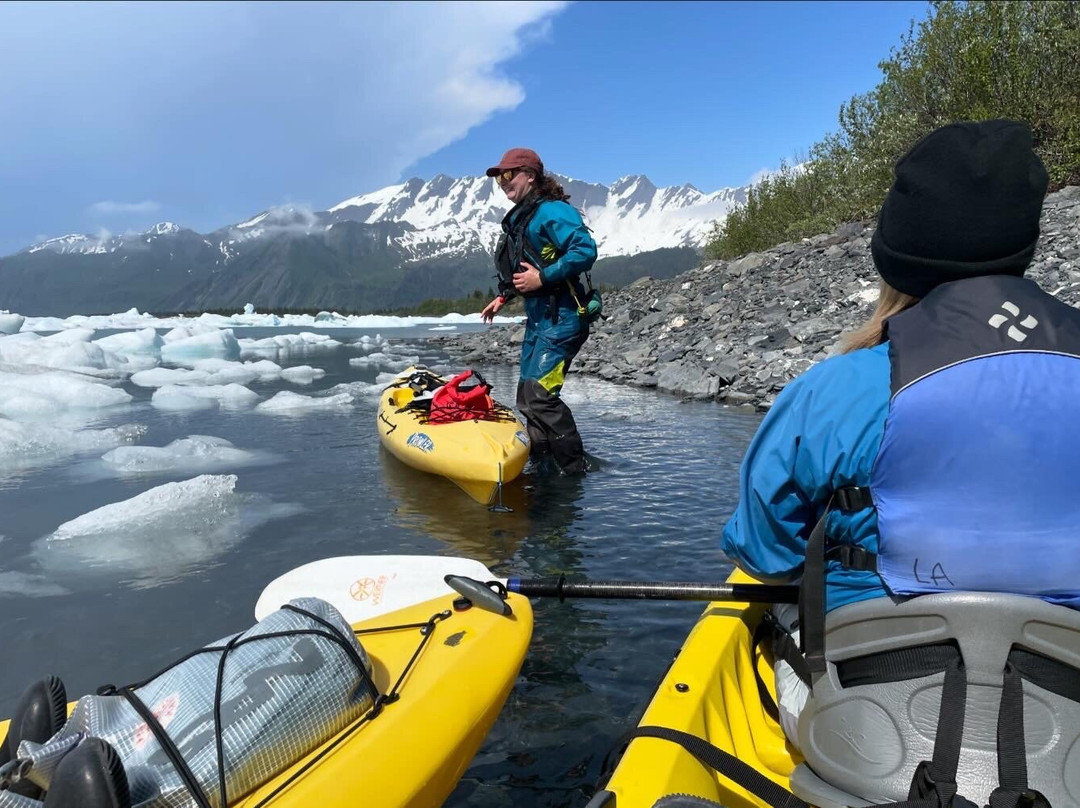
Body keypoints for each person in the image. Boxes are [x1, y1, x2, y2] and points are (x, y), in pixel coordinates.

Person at [720, 120, 1080, 806]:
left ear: (897, 253)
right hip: (1068, 734)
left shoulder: (839, 388)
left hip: (872, 728)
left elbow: (763, 553)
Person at [481, 148, 597, 475]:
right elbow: (525, 266)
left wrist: (542, 278)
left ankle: (573, 472)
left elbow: (585, 250)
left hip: (563, 320)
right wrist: (504, 296)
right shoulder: (524, 216)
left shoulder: (551, 212)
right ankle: (544, 466)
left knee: (540, 396)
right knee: (526, 397)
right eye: (499, 178)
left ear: (530, 176)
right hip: (540, 321)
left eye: (509, 174)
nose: (503, 182)